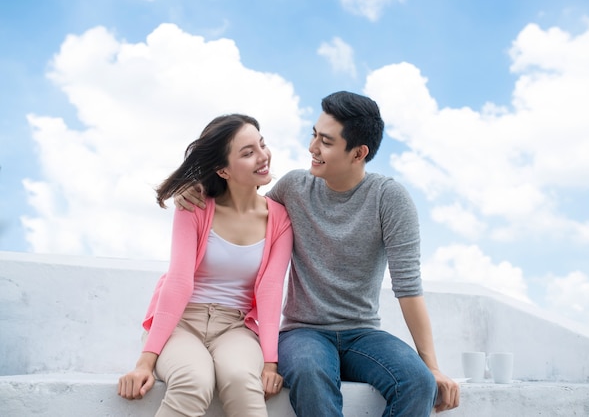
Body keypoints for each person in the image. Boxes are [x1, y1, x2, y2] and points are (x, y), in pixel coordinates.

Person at [176, 92, 460, 416]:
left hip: (363, 332)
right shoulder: (294, 187)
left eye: (325, 141)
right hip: (302, 333)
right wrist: (200, 188)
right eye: (314, 135)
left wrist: (432, 366)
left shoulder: (389, 199)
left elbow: (408, 287)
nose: (312, 147)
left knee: (418, 382)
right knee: (312, 374)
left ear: (358, 153)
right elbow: (244, 206)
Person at [118, 114, 293, 417]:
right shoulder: (195, 206)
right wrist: (145, 362)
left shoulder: (280, 219)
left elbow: (270, 288)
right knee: (193, 382)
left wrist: (269, 362)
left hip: (236, 327)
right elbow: (178, 280)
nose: (263, 157)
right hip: (182, 322)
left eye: (261, 145)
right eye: (248, 153)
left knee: (242, 380)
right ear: (223, 169)